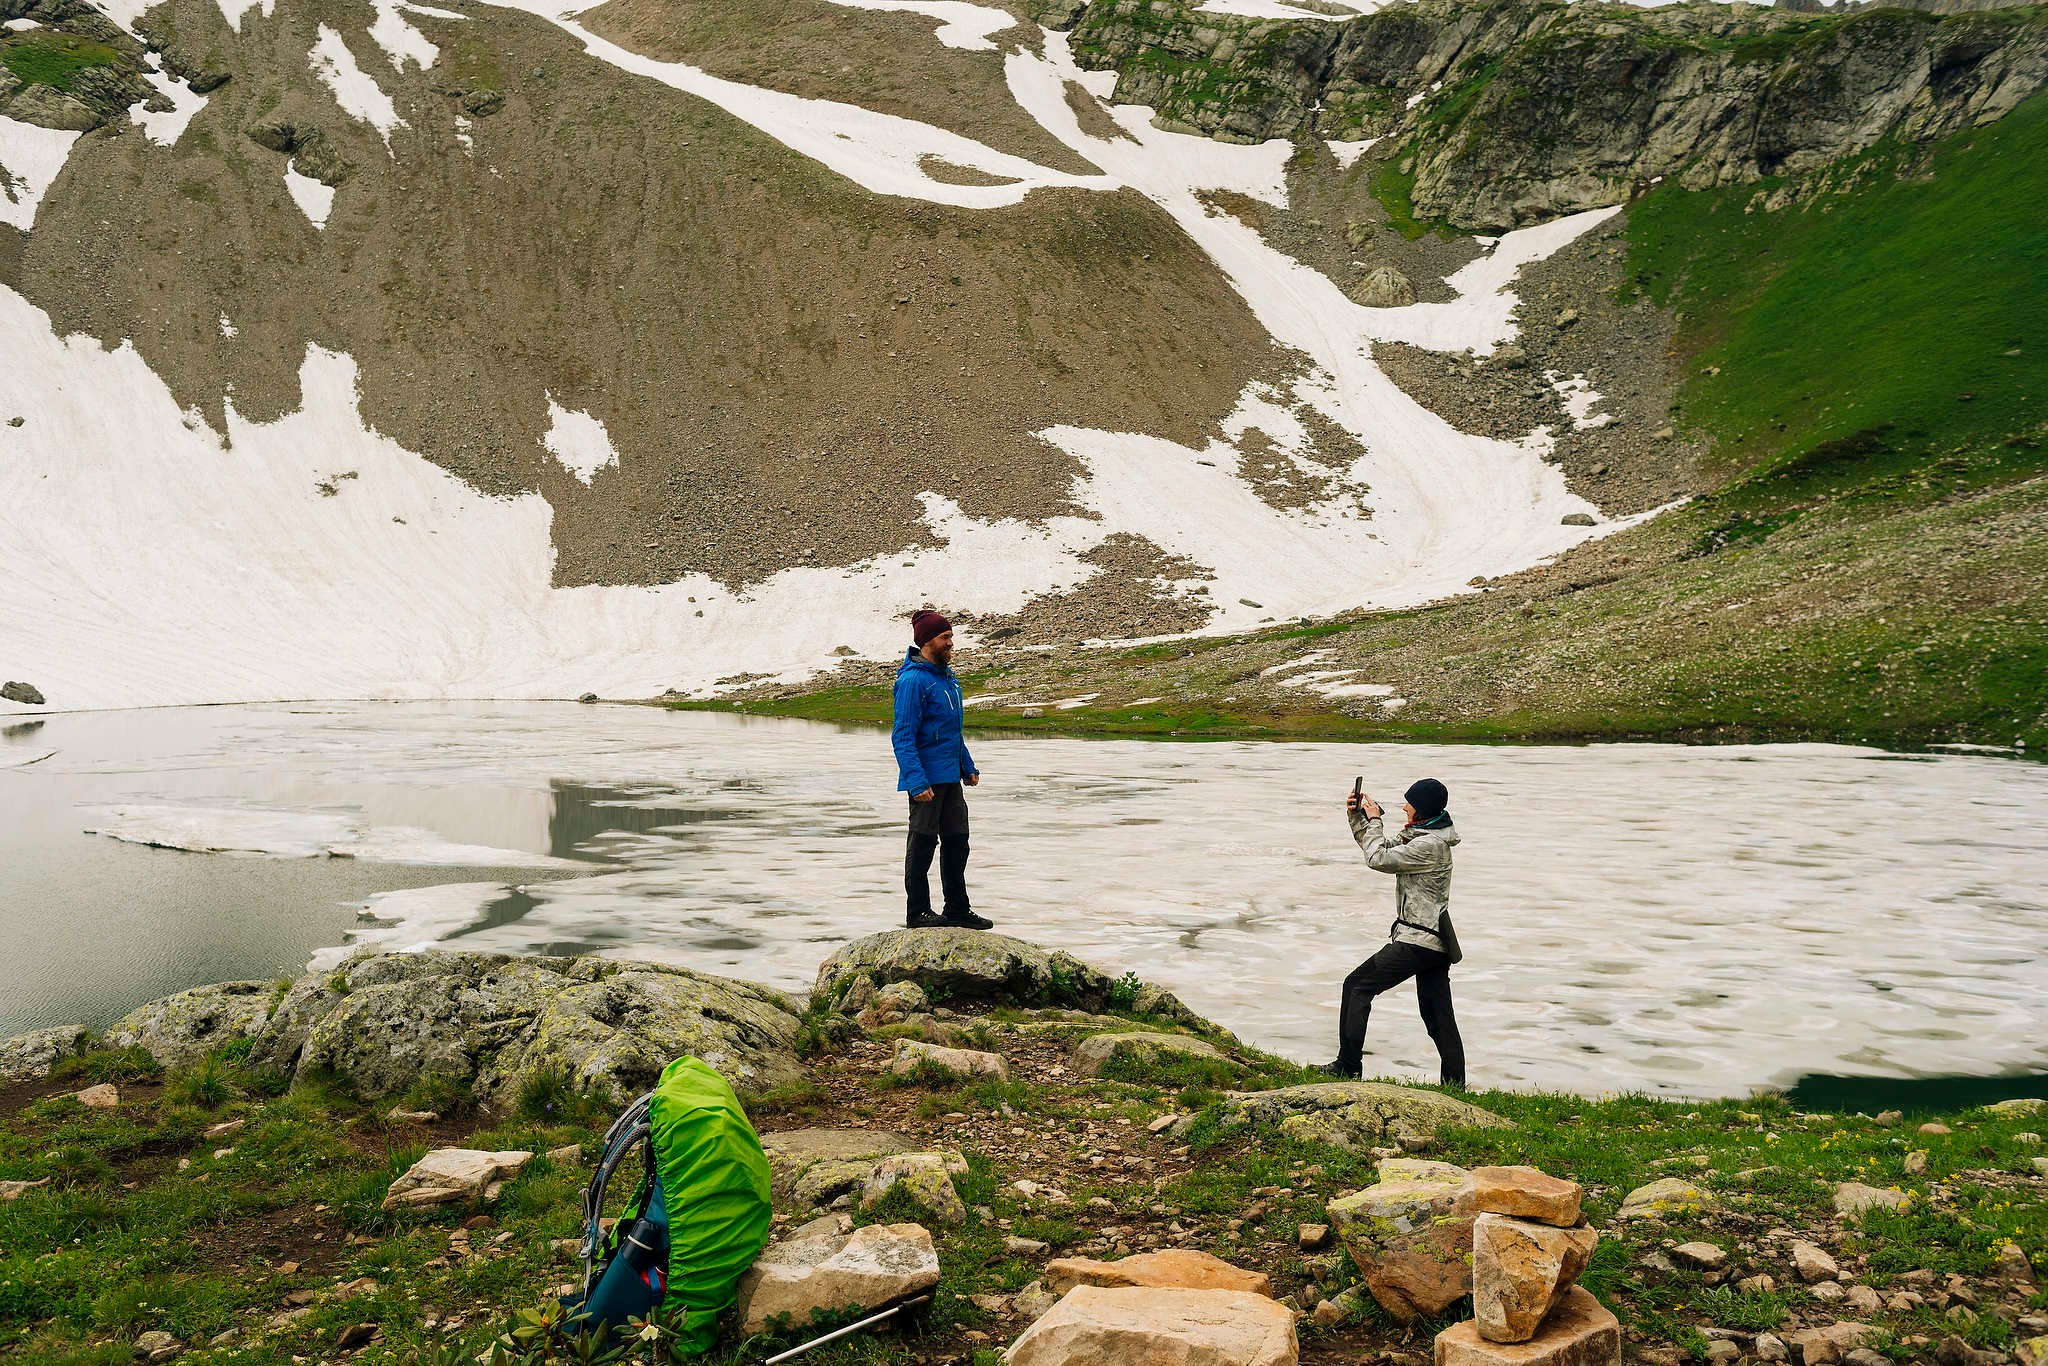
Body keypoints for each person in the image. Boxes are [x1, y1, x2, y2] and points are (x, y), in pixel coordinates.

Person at [1320, 777, 1466, 1086]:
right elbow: (1381, 847)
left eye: (1408, 803)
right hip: (1433, 942)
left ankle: (1348, 1066)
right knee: (1438, 1018)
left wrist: (1375, 820)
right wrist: (1359, 816)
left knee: (1357, 986)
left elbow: (1378, 859)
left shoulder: (1429, 845)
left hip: (1419, 940)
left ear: (1421, 809)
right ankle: (1454, 1085)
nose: (1403, 806)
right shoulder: (1422, 837)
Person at [891, 609, 993, 930]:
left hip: (951, 778)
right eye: (944, 637)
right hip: (926, 782)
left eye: (950, 636)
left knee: (957, 841)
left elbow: (951, 732)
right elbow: (903, 736)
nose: (951, 642)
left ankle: (957, 909)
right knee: (922, 844)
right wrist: (916, 781)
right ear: (926, 642)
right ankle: (918, 911)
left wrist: (967, 765)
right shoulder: (912, 682)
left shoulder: (949, 681)